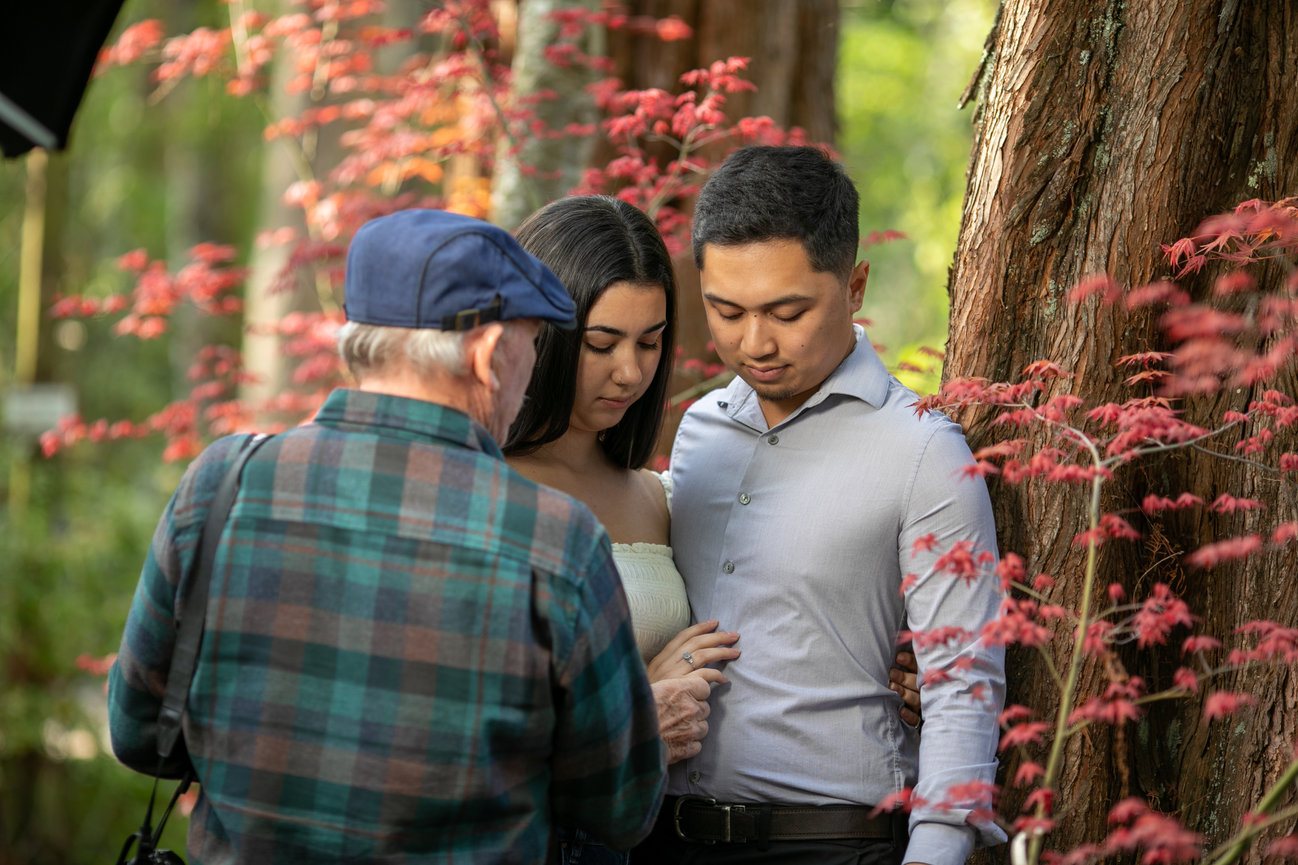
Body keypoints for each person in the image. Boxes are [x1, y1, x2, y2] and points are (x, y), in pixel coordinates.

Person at [107, 209, 667, 863]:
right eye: (535, 345)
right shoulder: (555, 541)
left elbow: (139, 732)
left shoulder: (220, 484)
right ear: (489, 356)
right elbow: (623, 805)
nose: (533, 372)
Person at [504, 195, 923, 865]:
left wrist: (899, 657)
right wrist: (637, 701)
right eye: (602, 343)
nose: (632, 372)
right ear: (542, 333)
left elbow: (784, 587)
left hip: (654, 838)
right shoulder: (485, 485)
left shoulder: (661, 496)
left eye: (651, 341)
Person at [632, 146, 1008, 865]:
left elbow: (964, 683)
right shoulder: (701, 432)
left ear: (855, 284)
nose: (755, 342)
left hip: (834, 843)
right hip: (664, 837)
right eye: (726, 310)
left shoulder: (922, 451)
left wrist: (935, 853)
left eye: (788, 310)